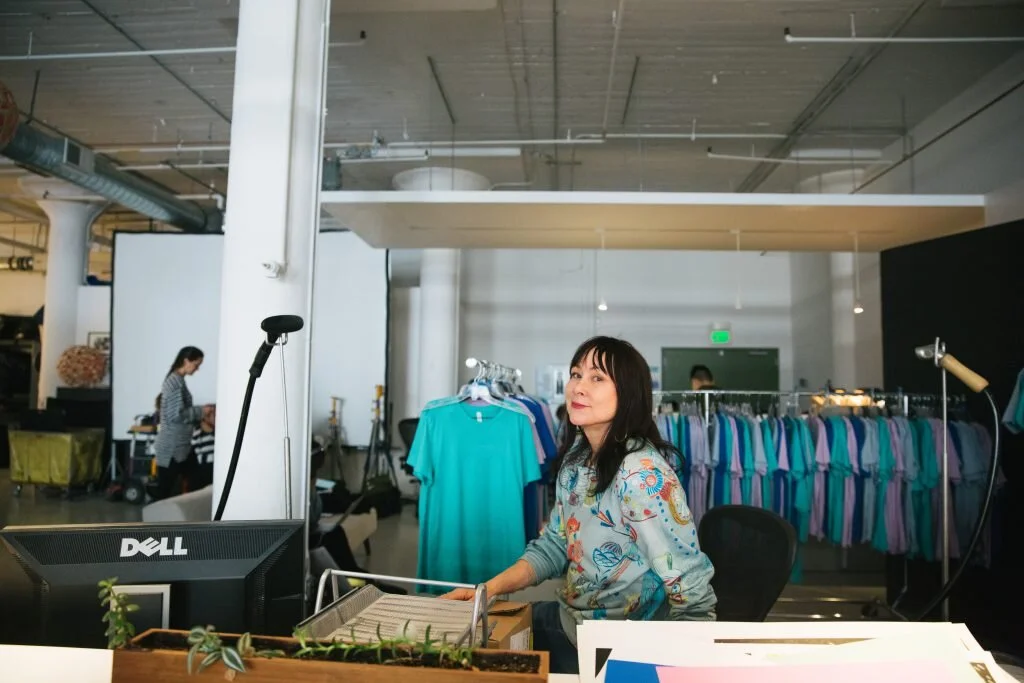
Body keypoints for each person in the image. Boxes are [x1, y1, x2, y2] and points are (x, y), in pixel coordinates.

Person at [443, 336, 716, 674]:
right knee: (466, 647)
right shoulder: (577, 458)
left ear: (628, 393)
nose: (578, 388)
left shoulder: (641, 476)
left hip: (619, 646)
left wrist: (683, 666)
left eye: (597, 378)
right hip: (572, 621)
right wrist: (488, 592)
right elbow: (556, 545)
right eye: (576, 374)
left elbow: (690, 589)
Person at [152, 346, 211, 499]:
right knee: (165, 491)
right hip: (172, 449)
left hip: (181, 446)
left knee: (196, 480)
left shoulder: (178, 381)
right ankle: (157, 521)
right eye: (196, 365)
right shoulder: (174, 382)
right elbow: (176, 415)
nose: (197, 369)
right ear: (186, 361)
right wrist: (201, 411)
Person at [183, 404, 216, 490]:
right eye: (209, 413)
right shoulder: (195, 434)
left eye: (214, 412)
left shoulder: (220, 434)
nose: (213, 414)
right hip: (202, 473)